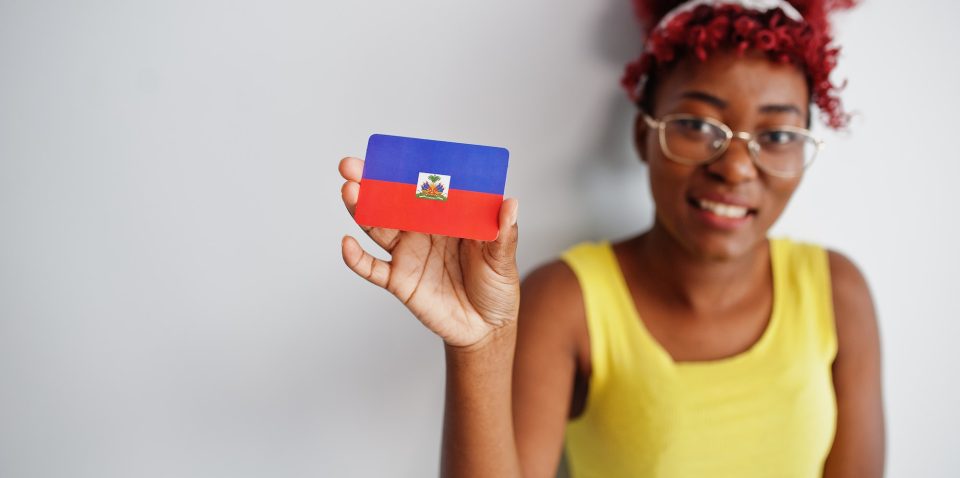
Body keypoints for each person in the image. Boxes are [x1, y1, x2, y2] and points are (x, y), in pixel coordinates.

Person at [338, 0, 884, 476]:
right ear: (643, 136)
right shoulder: (568, 300)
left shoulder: (837, 292)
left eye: (779, 134)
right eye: (697, 125)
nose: (737, 168)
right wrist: (478, 346)